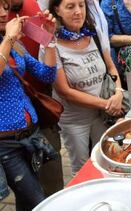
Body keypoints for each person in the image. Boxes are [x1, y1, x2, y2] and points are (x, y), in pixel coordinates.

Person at [44, 0, 124, 175]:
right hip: (75, 121)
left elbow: (111, 67)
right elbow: (65, 91)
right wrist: (107, 104)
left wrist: (118, 92)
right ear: (57, 10)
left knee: (107, 160)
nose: (78, 12)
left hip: (101, 116)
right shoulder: (51, 45)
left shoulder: (93, 33)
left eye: (81, 5)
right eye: (70, 7)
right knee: (82, 170)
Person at [0, 0, 57, 209]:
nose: (2, 13)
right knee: (37, 199)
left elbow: (47, 74)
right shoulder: (9, 40)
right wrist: (8, 38)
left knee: (26, 202)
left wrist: (49, 38)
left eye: (5, 7)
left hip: (30, 135)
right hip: (5, 143)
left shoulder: (14, 44)